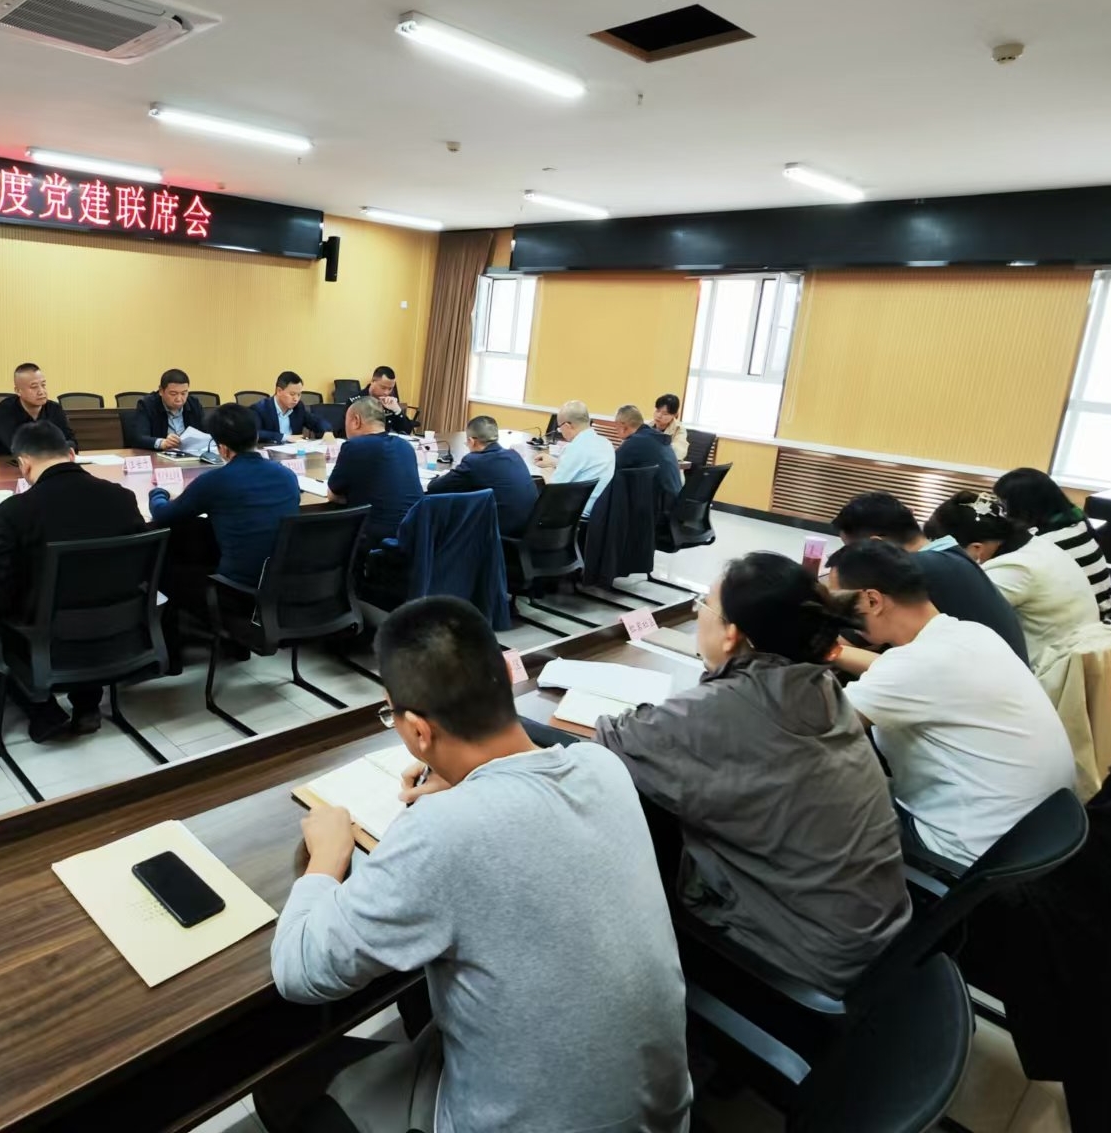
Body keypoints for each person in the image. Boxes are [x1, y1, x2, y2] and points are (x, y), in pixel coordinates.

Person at [266, 596, 691, 1133]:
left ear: (418, 731)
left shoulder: (441, 833)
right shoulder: (603, 767)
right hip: (662, 1116)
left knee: (282, 1088)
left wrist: (327, 859)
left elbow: (299, 971)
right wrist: (467, 786)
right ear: (505, 678)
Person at [592, 552, 910, 995]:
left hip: (795, 967)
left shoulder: (720, 712)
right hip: (877, 946)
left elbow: (614, 742)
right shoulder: (822, 685)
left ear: (732, 634)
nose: (697, 614)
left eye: (704, 605)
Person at [827, 541, 1074, 867]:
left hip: (962, 850)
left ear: (872, 600)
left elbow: (812, 725)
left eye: (837, 602)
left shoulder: (915, 666)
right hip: (1032, 837)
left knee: (812, 802)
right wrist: (834, 652)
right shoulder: (969, 634)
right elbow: (902, 674)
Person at [0, 421, 146, 742]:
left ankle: (42, 709)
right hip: (122, 628)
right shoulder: (122, 497)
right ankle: (87, 705)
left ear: (23, 463)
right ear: (71, 454)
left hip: (54, 636)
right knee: (88, 587)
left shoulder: (15, 511)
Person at [148, 402, 300, 632]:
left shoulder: (216, 481)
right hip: (282, 585)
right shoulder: (287, 475)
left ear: (223, 449)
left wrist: (158, 492)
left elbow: (162, 514)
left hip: (237, 592)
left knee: (166, 565)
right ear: (255, 437)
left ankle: (173, 645)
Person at [833, 491, 1030, 665]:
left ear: (877, 544)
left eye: (852, 549)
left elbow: (854, 638)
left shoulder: (914, 569)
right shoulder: (949, 554)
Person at [925, 490, 1099, 671]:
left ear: (977, 548)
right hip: (1076, 655)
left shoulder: (1009, 570)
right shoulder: (1035, 544)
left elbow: (955, 624)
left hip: (1048, 670)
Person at [994, 467, 1111, 618]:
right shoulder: (1076, 523)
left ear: (1022, 506)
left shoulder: (1045, 542)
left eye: (1004, 505)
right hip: (1099, 610)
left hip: (1084, 618)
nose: (1004, 512)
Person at [326, 396, 423, 548]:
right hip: (414, 536)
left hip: (375, 540)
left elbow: (333, 495)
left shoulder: (355, 446)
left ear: (356, 421)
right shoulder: (405, 445)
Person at [424, 415, 538, 538]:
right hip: (528, 529)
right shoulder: (514, 455)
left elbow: (434, 488)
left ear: (472, 441)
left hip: (499, 533)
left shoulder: (474, 461)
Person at [534, 399, 614, 520]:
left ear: (567, 425)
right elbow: (585, 468)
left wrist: (543, 476)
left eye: (560, 428)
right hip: (598, 515)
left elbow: (552, 491)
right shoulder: (606, 443)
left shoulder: (575, 448)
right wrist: (555, 462)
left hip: (573, 516)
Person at [0, 362, 75, 453]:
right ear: (18, 391)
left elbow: (71, 442)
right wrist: (56, 446)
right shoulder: (5, 410)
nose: (41, 391)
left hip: (51, 460)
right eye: (34, 387)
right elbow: (17, 447)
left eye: (43, 385)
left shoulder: (54, 409)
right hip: (8, 461)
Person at [614, 403, 683, 499]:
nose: (616, 430)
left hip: (659, 503)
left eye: (616, 426)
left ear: (623, 426)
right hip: (674, 499)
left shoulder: (635, 442)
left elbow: (612, 467)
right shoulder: (654, 436)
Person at [128, 368, 207, 451]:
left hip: (190, 454)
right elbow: (138, 438)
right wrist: (162, 443)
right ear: (161, 391)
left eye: (183, 393)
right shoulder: (147, 405)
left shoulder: (194, 404)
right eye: (173, 394)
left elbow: (206, 433)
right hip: (160, 455)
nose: (179, 399)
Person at [251, 371, 317, 445]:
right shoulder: (260, 408)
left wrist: (326, 431)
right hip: (270, 450)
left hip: (294, 450)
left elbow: (316, 422)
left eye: (299, 395)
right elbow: (255, 433)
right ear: (279, 391)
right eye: (292, 394)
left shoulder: (298, 407)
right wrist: (285, 437)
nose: (296, 399)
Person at [366, 366, 413, 435]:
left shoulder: (389, 402)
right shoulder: (357, 402)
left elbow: (406, 431)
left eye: (390, 389)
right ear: (373, 382)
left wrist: (397, 411)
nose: (386, 393)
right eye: (383, 387)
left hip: (386, 440)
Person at [652, 393, 690, 461]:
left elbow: (679, 452)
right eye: (657, 411)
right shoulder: (646, 425)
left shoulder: (679, 429)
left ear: (674, 415)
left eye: (665, 414)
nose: (659, 416)